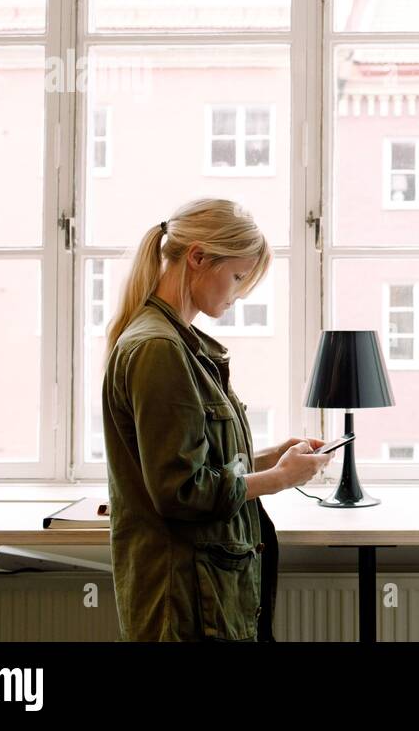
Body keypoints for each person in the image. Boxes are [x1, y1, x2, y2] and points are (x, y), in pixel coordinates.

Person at [101, 198, 335, 641]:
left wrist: (270, 458)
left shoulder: (178, 343)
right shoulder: (159, 349)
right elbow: (182, 491)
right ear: (198, 258)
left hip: (204, 593)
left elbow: (201, 462)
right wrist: (281, 478)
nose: (240, 293)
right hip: (185, 600)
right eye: (238, 276)